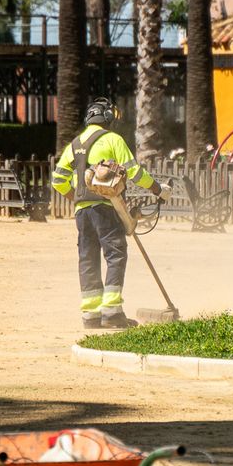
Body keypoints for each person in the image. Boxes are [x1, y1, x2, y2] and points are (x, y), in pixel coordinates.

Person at [50, 97, 158, 329]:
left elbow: (58, 181)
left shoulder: (75, 144)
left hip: (82, 213)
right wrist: (157, 188)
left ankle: (91, 315)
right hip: (106, 209)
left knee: (88, 258)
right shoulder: (113, 139)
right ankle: (112, 312)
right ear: (108, 118)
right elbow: (134, 172)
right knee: (116, 254)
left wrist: (77, 197)